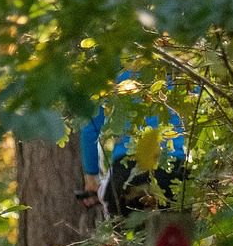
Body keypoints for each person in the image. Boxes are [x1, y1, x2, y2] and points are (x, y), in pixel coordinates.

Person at [80, 71, 191, 221]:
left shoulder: (113, 67)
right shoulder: (180, 65)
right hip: (172, 167)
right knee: (176, 239)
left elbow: (90, 129)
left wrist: (91, 178)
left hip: (127, 170)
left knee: (125, 236)